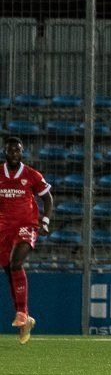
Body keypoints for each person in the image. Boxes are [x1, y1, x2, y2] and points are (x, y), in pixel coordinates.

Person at [0, 137, 54, 344]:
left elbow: (47, 198)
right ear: (5, 152)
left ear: (22, 152)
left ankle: (22, 313)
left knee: (16, 263)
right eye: (10, 150)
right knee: (9, 271)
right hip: (3, 228)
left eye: (18, 150)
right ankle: (25, 319)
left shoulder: (31, 175)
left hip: (27, 225)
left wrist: (46, 221)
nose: (14, 153)